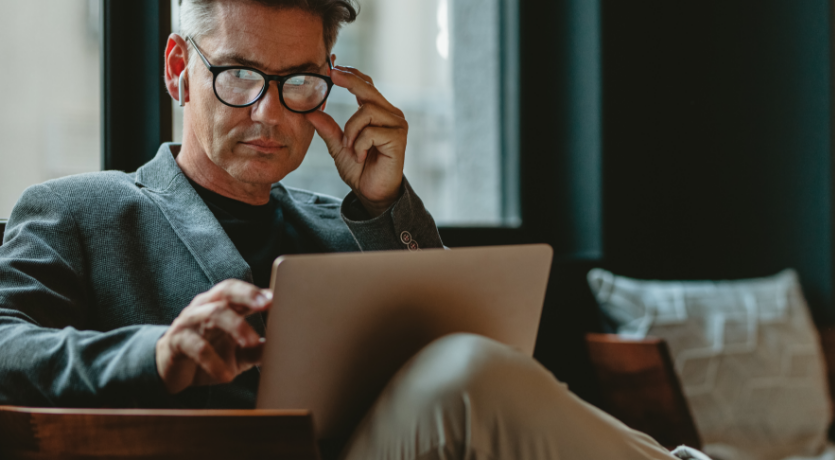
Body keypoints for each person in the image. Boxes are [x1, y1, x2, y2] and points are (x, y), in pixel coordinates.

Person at [0, 1, 706, 458]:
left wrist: (385, 200)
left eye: (299, 82)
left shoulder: (347, 231)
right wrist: (158, 353)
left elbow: (487, 386)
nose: (270, 115)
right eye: (240, 76)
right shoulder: (76, 210)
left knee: (469, 369)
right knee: (466, 373)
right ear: (180, 70)